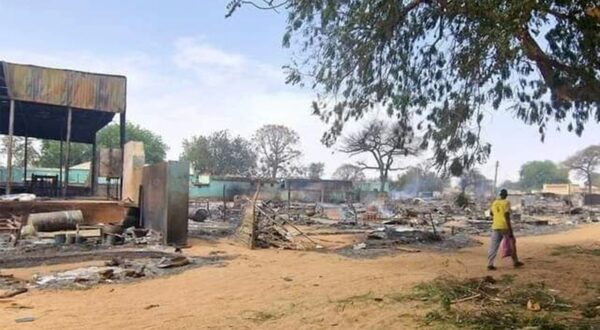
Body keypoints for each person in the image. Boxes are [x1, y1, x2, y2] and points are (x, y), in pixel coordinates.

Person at [487, 189, 524, 270]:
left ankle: (490, 264)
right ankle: (515, 262)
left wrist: (497, 216)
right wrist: (510, 230)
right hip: (504, 226)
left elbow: (491, 213)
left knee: (493, 246)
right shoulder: (506, 202)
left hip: (495, 226)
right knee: (512, 242)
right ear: (506, 195)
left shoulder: (495, 202)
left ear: (500, 195)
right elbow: (507, 216)